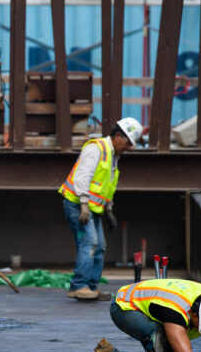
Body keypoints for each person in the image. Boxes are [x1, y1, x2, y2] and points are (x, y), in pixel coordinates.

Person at [58, 117, 142, 300]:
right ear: (118, 135)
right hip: (77, 205)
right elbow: (82, 177)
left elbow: (106, 186)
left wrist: (108, 210)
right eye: (128, 143)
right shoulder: (96, 148)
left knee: (100, 246)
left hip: (93, 208)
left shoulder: (113, 156)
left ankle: (91, 286)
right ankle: (78, 286)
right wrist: (83, 206)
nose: (129, 148)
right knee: (90, 243)